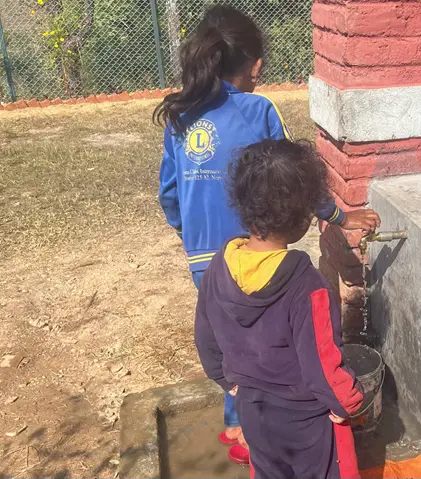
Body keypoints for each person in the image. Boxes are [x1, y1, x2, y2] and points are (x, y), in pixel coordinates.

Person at [154, 5, 379, 465]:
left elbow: (170, 194)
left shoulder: (180, 117)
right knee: (278, 346)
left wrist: (189, 234)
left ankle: (239, 423)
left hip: (206, 260)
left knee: (231, 332)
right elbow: (289, 175)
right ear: (255, 65)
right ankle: (277, 428)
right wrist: (339, 216)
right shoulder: (258, 109)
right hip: (265, 255)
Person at [194, 139, 364, 479]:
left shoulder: (220, 266)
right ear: (303, 217)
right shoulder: (308, 286)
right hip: (304, 422)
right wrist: (350, 402)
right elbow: (322, 363)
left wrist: (227, 381)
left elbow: (205, 335)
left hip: (253, 411)